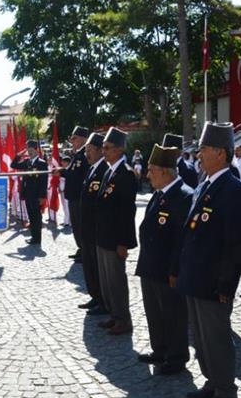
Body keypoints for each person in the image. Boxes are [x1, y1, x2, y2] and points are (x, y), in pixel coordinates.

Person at [177, 121, 241, 398]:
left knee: (216, 337)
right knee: (199, 335)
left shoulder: (232, 190)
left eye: (204, 149)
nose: (199, 155)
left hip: (212, 282)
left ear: (221, 153)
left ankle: (225, 391)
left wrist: (225, 285)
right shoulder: (205, 184)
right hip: (195, 276)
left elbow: (236, 245)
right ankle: (211, 380)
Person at [135, 143, 193, 374]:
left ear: (166, 172)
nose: (148, 175)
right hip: (150, 266)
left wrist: (175, 270)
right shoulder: (159, 195)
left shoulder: (184, 196)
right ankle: (160, 349)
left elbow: (181, 240)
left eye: (152, 170)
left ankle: (176, 356)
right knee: (155, 312)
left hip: (167, 270)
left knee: (173, 315)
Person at [95, 128, 138, 335]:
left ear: (120, 150)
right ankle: (114, 315)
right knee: (107, 282)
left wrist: (124, 242)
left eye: (107, 148)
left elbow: (127, 212)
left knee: (117, 281)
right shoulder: (109, 170)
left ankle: (123, 319)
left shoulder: (126, 174)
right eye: (103, 147)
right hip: (103, 236)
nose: (103, 151)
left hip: (115, 239)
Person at [77, 133, 107, 315]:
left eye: (89, 150)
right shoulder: (92, 169)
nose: (86, 154)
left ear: (99, 150)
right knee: (88, 265)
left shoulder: (103, 169)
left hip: (95, 228)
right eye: (86, 150)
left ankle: (102, 300)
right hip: (86, 228)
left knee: (97, 267)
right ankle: (95, 296)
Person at [61, 126, 90, 261]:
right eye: (71, 138)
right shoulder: (77, 154)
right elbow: (71, 172)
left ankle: (85, 250)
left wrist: (63, 172)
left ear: (84, 139)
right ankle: (81, 248)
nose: (72, 141)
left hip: (79, 197)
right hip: (73, 196)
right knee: (76, 225)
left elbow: (80, 175)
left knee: (81, 225)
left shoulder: (86, 154)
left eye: (74, 138)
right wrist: (61, 171)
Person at [11, 140, 48, 245]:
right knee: (31, 216)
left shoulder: (41, 163)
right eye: (28, 150)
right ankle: (33, 237)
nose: (29, 152)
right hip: (27, 194)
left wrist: (42, 196)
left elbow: (43, 181)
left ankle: (37, 239)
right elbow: (13, 165)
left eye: (31, 150)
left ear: (36, 150)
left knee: (37, 217)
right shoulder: (27, 162)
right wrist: (19, 155)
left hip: (36, 195)